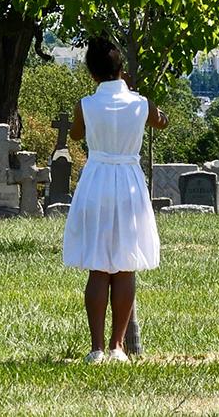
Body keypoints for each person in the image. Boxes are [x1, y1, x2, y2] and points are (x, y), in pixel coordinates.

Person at [61, 36, 167, 364]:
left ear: (92, 74)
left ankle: (95, 349)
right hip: (129, 183)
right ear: (121, 68)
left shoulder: (86, 105)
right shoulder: (141, 104)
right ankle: (118, 346)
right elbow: (161, 121)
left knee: (98, 266)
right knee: (124, 266)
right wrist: (137, 95)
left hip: (97, 180)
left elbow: (77, 135)